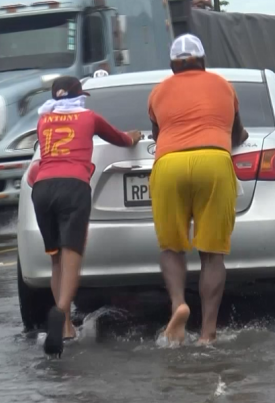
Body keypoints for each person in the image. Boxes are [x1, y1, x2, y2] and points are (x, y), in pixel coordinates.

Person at [27, 76, 141, 357]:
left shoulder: (43, 121)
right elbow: (122, 139)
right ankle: (61, 313)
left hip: (42, 189)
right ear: (80, 96)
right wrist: (135, 136)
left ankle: (64, 326)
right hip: (73, 187)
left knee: (55, 258)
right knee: (71, 258)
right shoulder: (89, 117)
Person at [148, 34, 248, 345]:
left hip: (169, 165)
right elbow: (238, 132)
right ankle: (208, 334)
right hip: (214, 161)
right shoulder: (223, 85)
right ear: (203, 61)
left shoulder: (158, 92)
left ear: (172, 65)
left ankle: (179, 305)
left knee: (171, 248)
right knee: (212, 254)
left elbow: (158, 132)